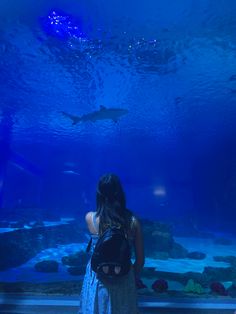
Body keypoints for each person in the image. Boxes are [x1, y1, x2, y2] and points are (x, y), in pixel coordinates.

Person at [79, 173, 145, 314]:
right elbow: (140, 260)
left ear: (99, 194)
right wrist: (129, 277)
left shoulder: (90, 218)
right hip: (124, 279)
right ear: (120, 193)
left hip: (97, 280)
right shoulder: (133, 221)